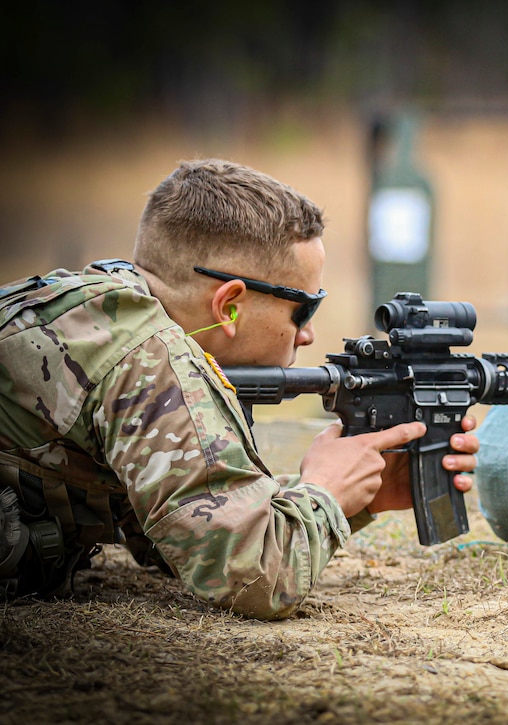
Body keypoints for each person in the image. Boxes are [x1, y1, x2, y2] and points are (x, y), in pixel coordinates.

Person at [0, 158, 479, 619]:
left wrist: (360, 497)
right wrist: (324, 492)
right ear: (229, 304)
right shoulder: (150, 355)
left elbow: (184, 540)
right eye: (303, 309)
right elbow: (252, 578)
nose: (307, 334)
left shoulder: (106, 309)